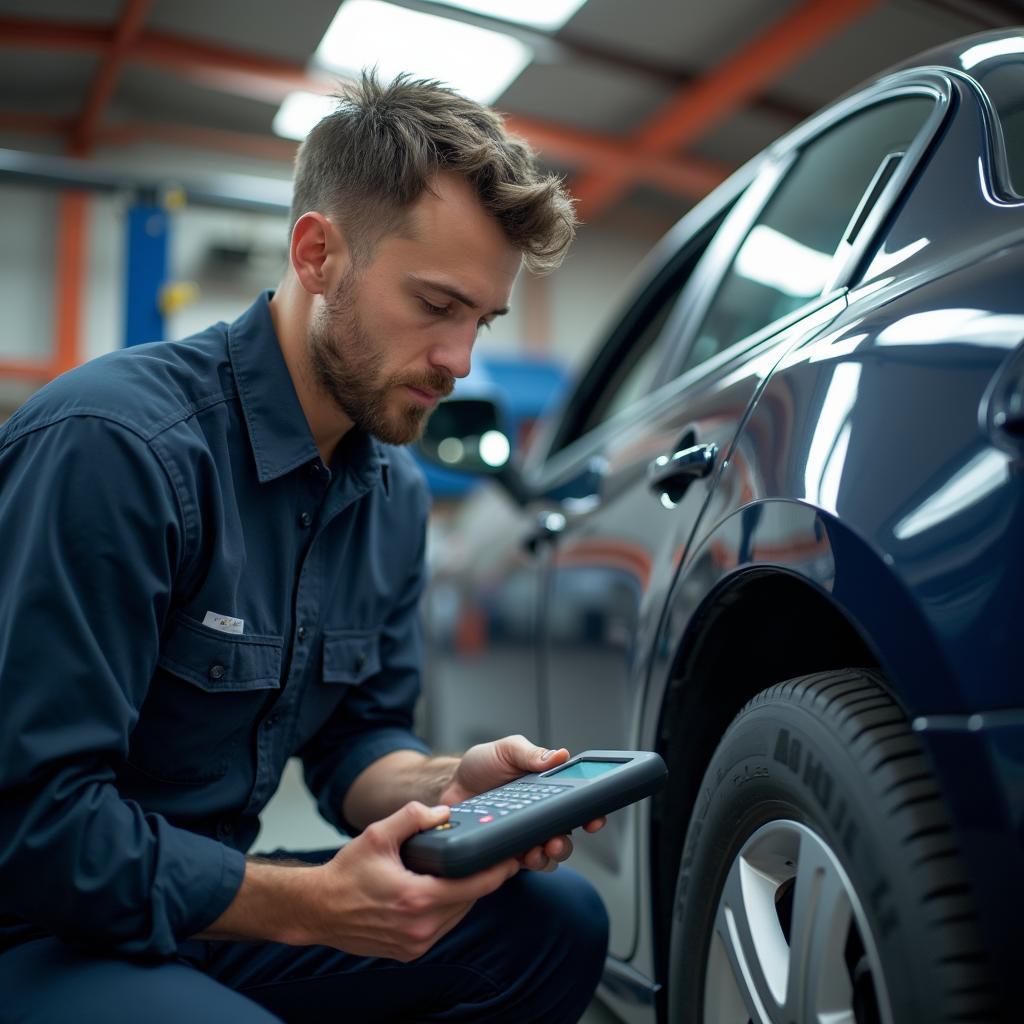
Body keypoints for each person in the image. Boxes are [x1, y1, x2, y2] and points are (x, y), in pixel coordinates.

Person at [0, 73, 609, 1022]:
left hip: (211, 913)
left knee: (553, 921)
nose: (460, 362)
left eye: (478, 322)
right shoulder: (116, 450)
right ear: (318, 254)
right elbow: (32, 828)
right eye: (435, 305)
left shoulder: (392, 493)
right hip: (38, 925)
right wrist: (315, 908)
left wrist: (452, 783)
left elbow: (352, 742)